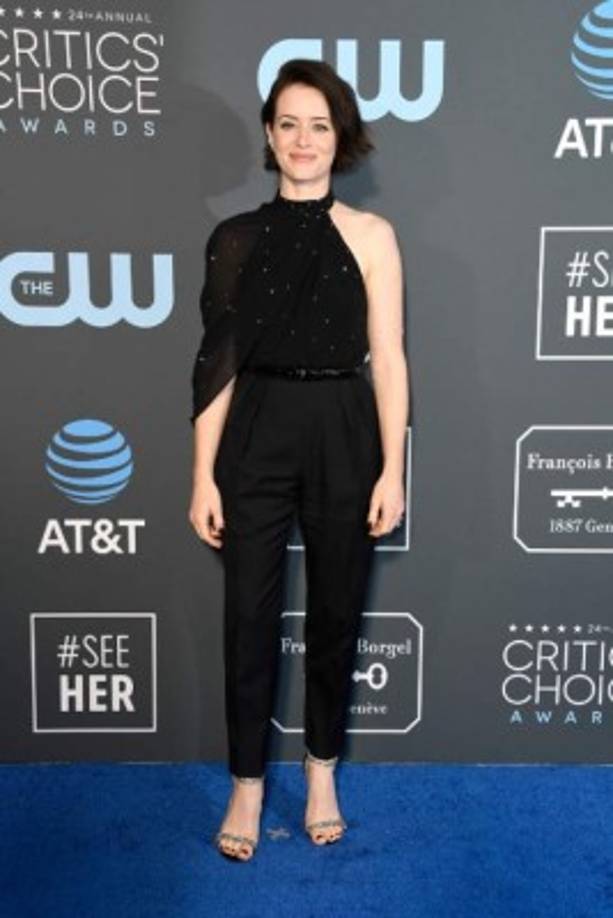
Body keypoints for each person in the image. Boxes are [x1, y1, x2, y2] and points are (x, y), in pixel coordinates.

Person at [188, 59, 408, 861]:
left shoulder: (372, 236)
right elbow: (217, 363)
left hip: (344, 427)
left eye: (319, 125)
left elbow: (389, 357)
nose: (303, 140)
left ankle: (320, 775)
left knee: (336, 612)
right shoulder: (235, 239)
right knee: (247, 616)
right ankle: (246, 784)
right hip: (256, 429)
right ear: (270, 136)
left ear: (338, 138)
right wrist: (201, 474)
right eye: (288, 124)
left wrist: (392, 469)